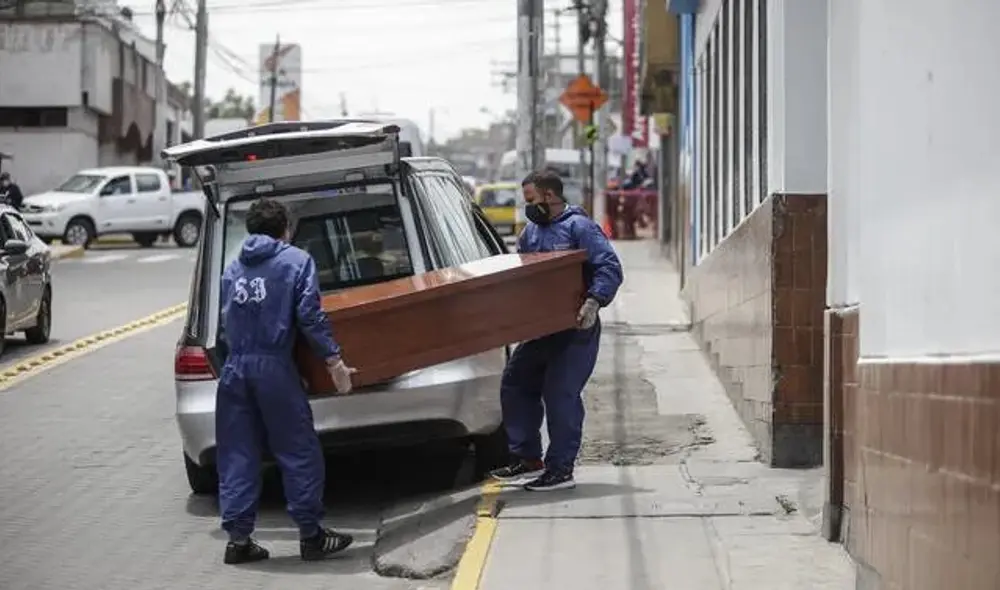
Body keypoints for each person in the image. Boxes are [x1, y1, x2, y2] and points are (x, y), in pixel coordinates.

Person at [216, 198, 357, 564]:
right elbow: (309, 315)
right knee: (297, 450)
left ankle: (238, 540)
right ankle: (311, 536)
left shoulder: (232, 270)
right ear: (286, 230)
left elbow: (223, 324)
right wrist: (334, 362)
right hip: (273, 369)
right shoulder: (296, 261)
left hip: (235, 370)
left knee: (238, 454)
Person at [490, 169, 624, 491]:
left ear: (550, 196)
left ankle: (561, 469)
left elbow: (609, 267)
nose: (529, 207)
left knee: (559, 393)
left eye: (531, 199)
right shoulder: (530, 234)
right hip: (542, 328)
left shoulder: (580, 228)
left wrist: (594, 302)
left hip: (575, 327)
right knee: (515, 382)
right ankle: (528, 458)